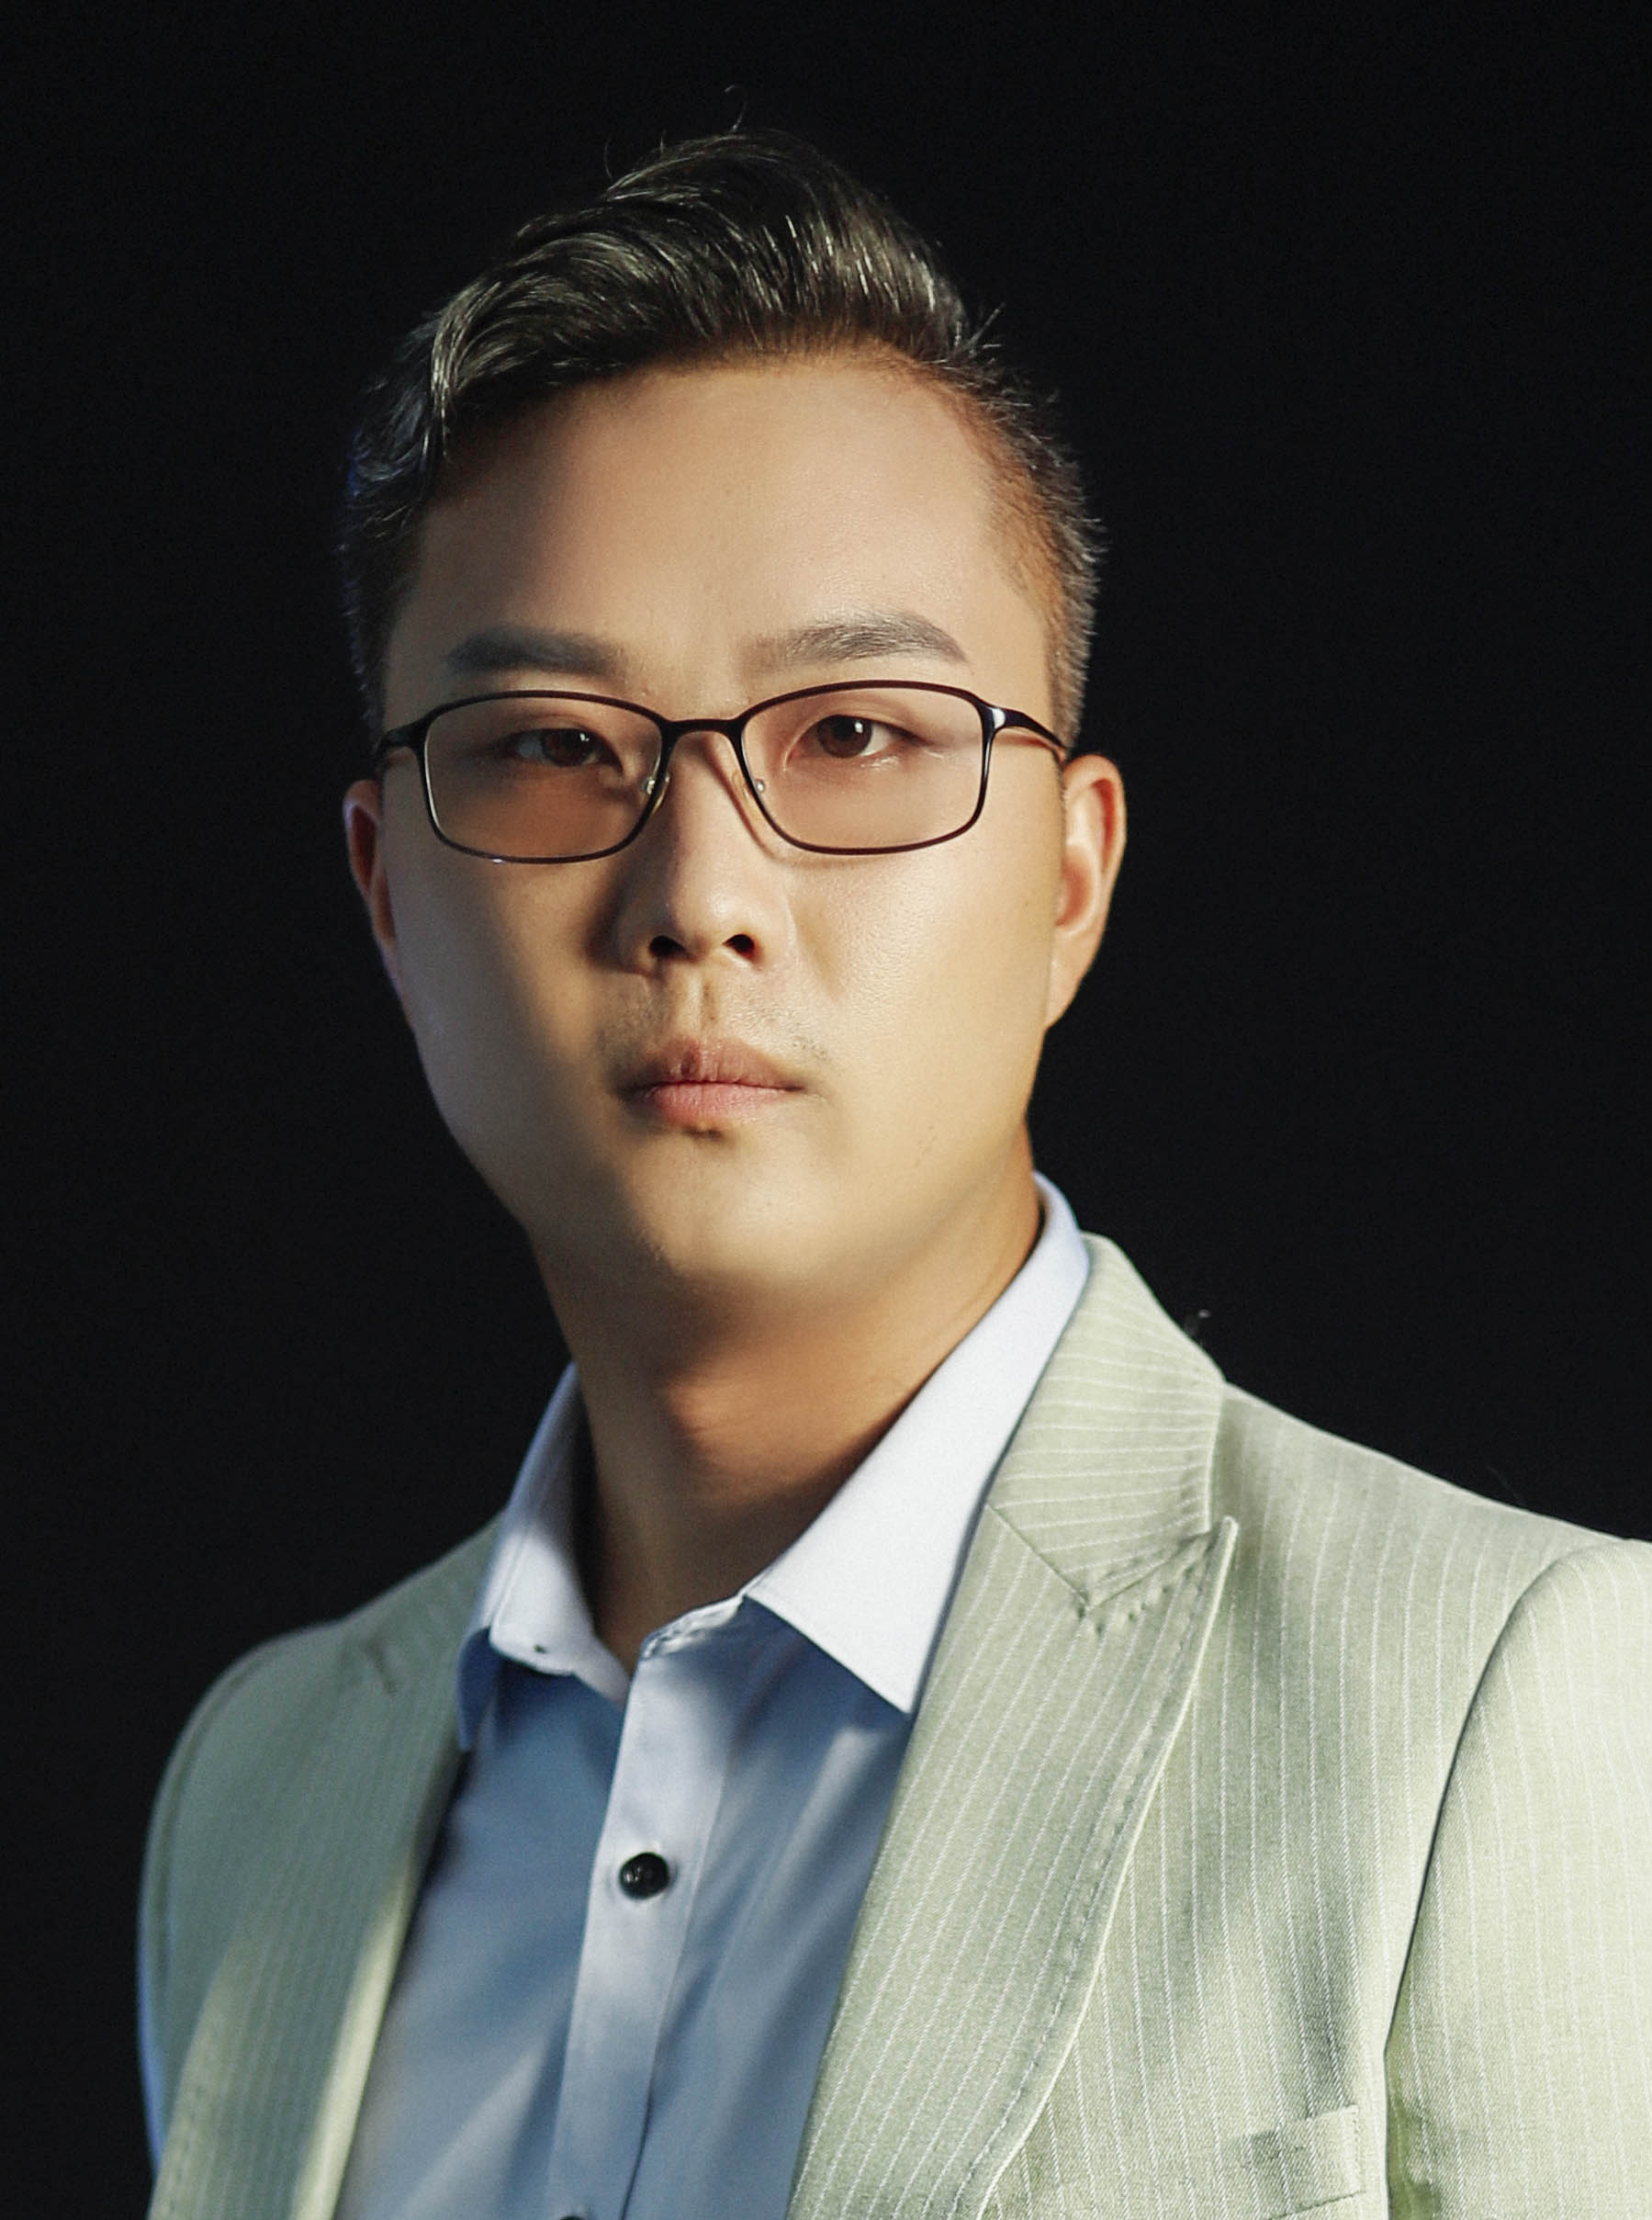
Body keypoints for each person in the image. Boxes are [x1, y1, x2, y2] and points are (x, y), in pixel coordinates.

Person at [138, 133, 1651, 2220]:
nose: (699, 893)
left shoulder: (1513, 1694)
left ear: (1070, 878)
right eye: (555, 745)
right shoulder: (262, 1790)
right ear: (388, 894)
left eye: (853, 733)